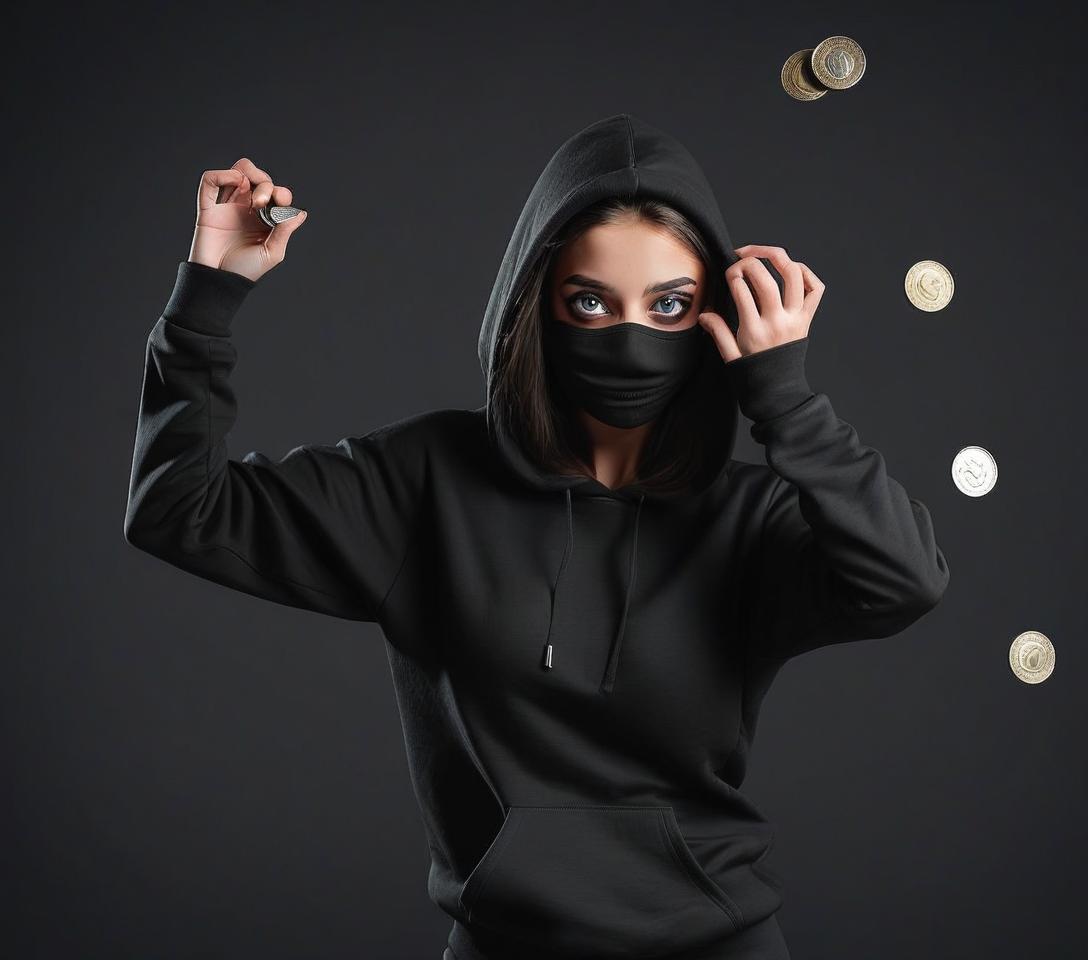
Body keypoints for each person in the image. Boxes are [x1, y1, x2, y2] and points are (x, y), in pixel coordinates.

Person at [124, 113, 950, 960]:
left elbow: (903, 582)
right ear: (536, 307)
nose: (630, 336)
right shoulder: (427, 482)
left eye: (670, 306)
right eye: (590, 302)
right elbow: (176, 510)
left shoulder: (748, 519)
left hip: (721, 945)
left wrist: (786, 402)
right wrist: (207, 296)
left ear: (713, 320)